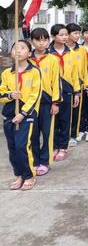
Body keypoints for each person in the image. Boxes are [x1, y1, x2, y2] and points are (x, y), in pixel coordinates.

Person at [0, 40, 42, 190]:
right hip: (9, 115)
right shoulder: (6, 73)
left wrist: (23, 113)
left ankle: (29, 175)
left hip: (27, 116)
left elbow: (35, 95)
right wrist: (10, 95)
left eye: (22, 48)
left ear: (29, 53)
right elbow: (1, 94)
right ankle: (19, 175)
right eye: (15, 48)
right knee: (12, 147)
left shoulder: (35, 71)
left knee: (22, 146)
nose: (18, 51)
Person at [30, 28, 60, 176]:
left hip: (47, 102)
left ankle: (45, 161)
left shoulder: (53, 59)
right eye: (38, 40)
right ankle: (35, 161)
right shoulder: (27, 59)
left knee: (47, 132)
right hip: (30, 103)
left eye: (45, 40)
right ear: (32, 42)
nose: (42, 43)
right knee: (33, 134)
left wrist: (55, 102)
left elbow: (56, 81)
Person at [50, 24, 80, 161]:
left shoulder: (71, 53)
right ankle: (54, 146)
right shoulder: (48, 53)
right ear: (53, 36)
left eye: (65, 35)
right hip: (51, 92)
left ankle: (63, 146)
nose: (64, 37)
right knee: (53, 121)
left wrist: (76, 93)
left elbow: (75, 74)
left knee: (65, 119)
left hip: (67, 91)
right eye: (61, 35)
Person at [66, 23, 88, 145]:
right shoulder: (62, 49)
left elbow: (85, 68)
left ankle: (73, 135)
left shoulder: (81, 50)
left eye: (78, 33)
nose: (77, 35)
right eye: (75, 33)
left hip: (77, 84)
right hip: (64, 84)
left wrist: (86, 82)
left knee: (76, 111)